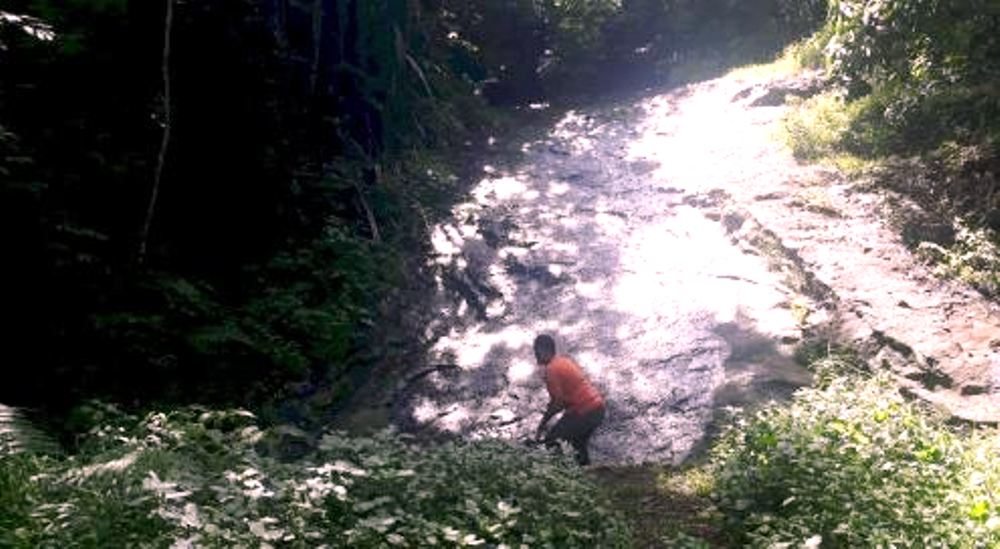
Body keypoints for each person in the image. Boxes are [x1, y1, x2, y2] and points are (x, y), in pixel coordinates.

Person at [533, 334, 605, 465]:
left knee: (551, 440)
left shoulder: (551, 370)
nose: (535, 356)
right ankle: (585, 473)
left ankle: (561, 475)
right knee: (578, 444)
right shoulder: (563, 361)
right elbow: (561, 400)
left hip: (585, 411)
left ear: (543, 350)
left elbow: (558, 403)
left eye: (536, 351)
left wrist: (543, 423)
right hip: (597, 409)